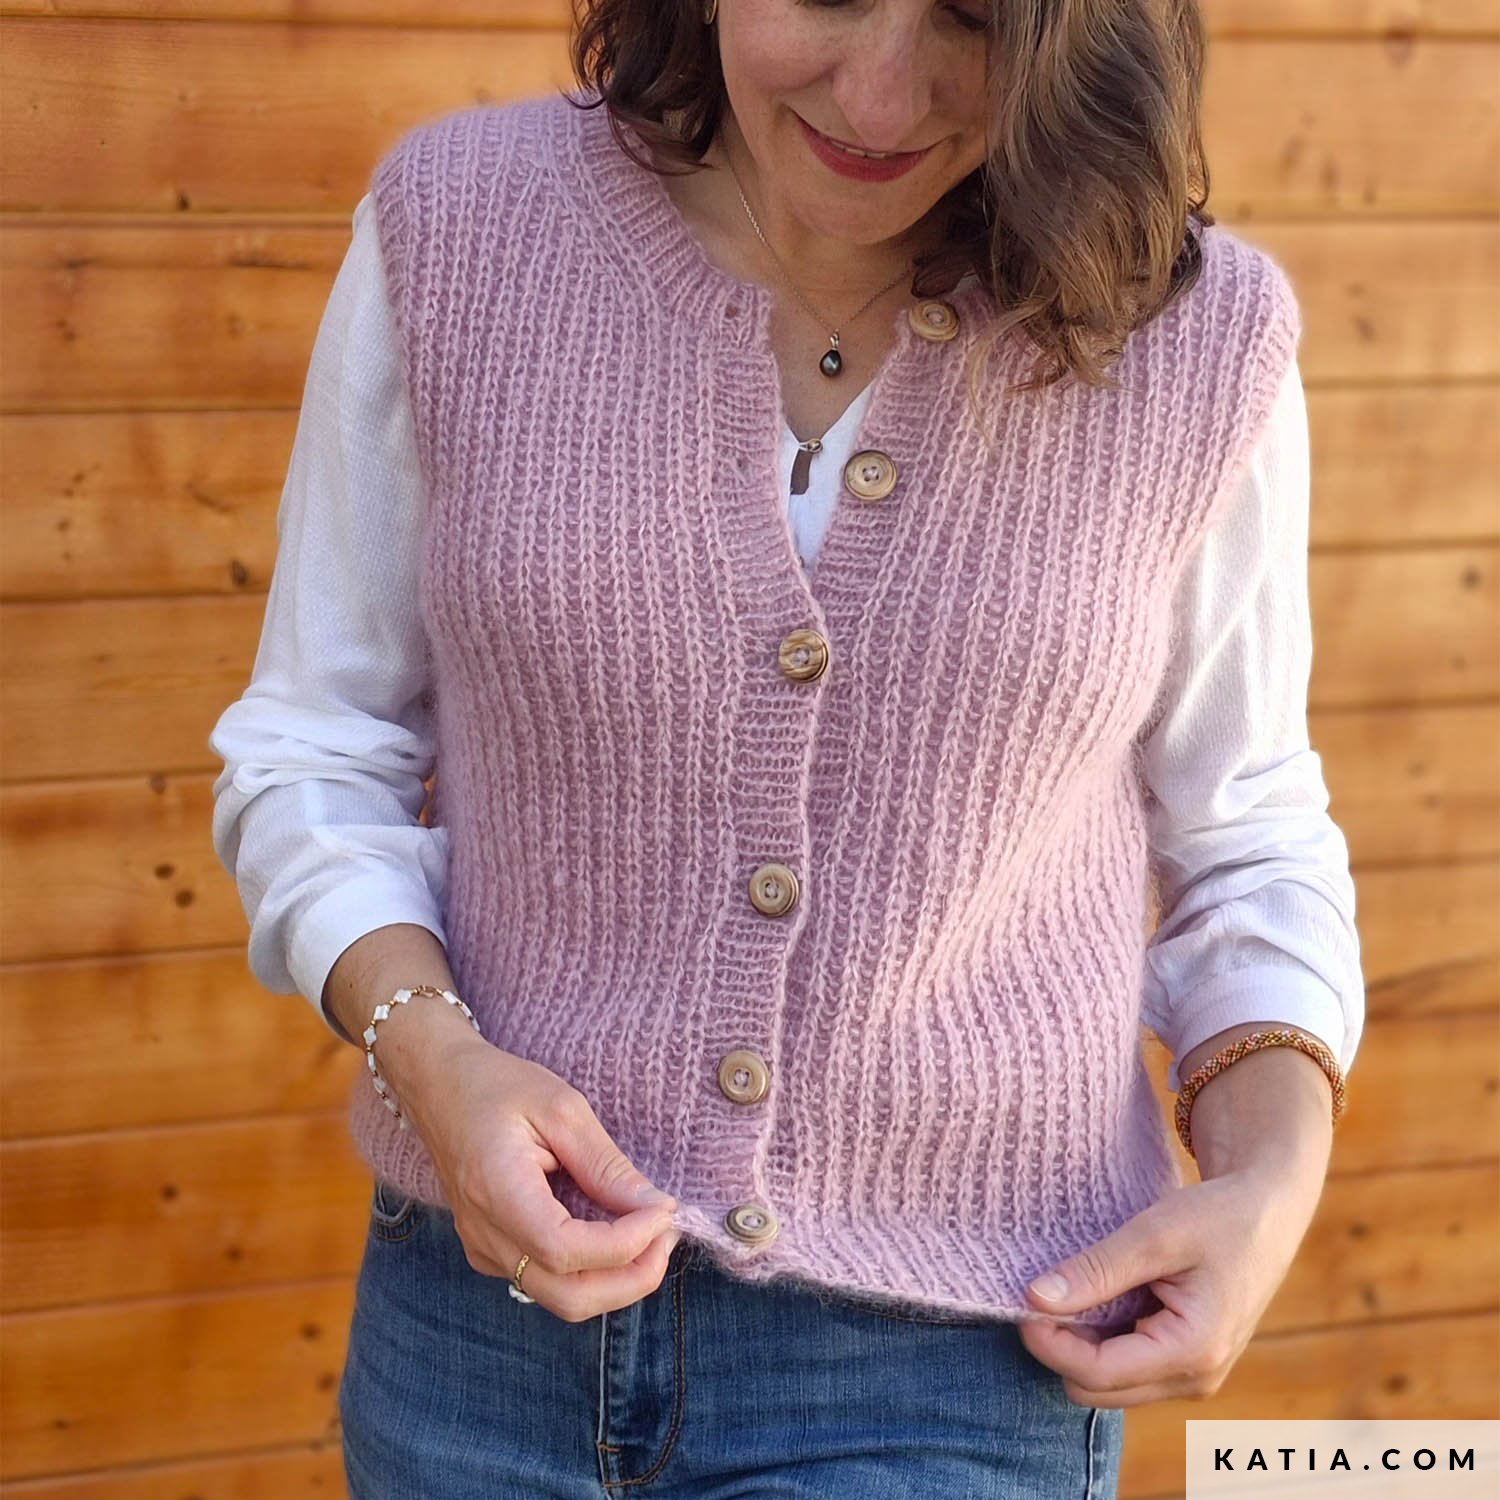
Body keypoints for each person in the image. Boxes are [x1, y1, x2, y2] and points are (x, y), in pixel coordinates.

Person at [208, 1, 1365, 1494]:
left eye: (973, 17)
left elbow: (1247, 832)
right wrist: (431, 1055)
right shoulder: (460, 233)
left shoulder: (1192, 339)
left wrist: (1274, 1181)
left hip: (952, 1369)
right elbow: (320, 748)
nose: (880, 96)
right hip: (475, 1347)